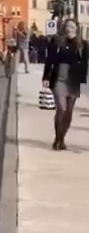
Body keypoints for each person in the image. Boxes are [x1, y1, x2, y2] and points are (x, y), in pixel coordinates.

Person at [43, 19, 87, 151]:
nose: (69, 29)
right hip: (59, 78)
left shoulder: (83, 45)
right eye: (67, 26)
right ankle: (57, 139)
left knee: (69, 112)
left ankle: (62, 139)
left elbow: (85, 63)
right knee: (61, 108)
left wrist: (82, 79)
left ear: (76, 29)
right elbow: (49, 60)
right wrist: (46, 76)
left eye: (72, 26)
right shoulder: (57, 42)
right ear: (64, 28)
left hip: (73, 80)